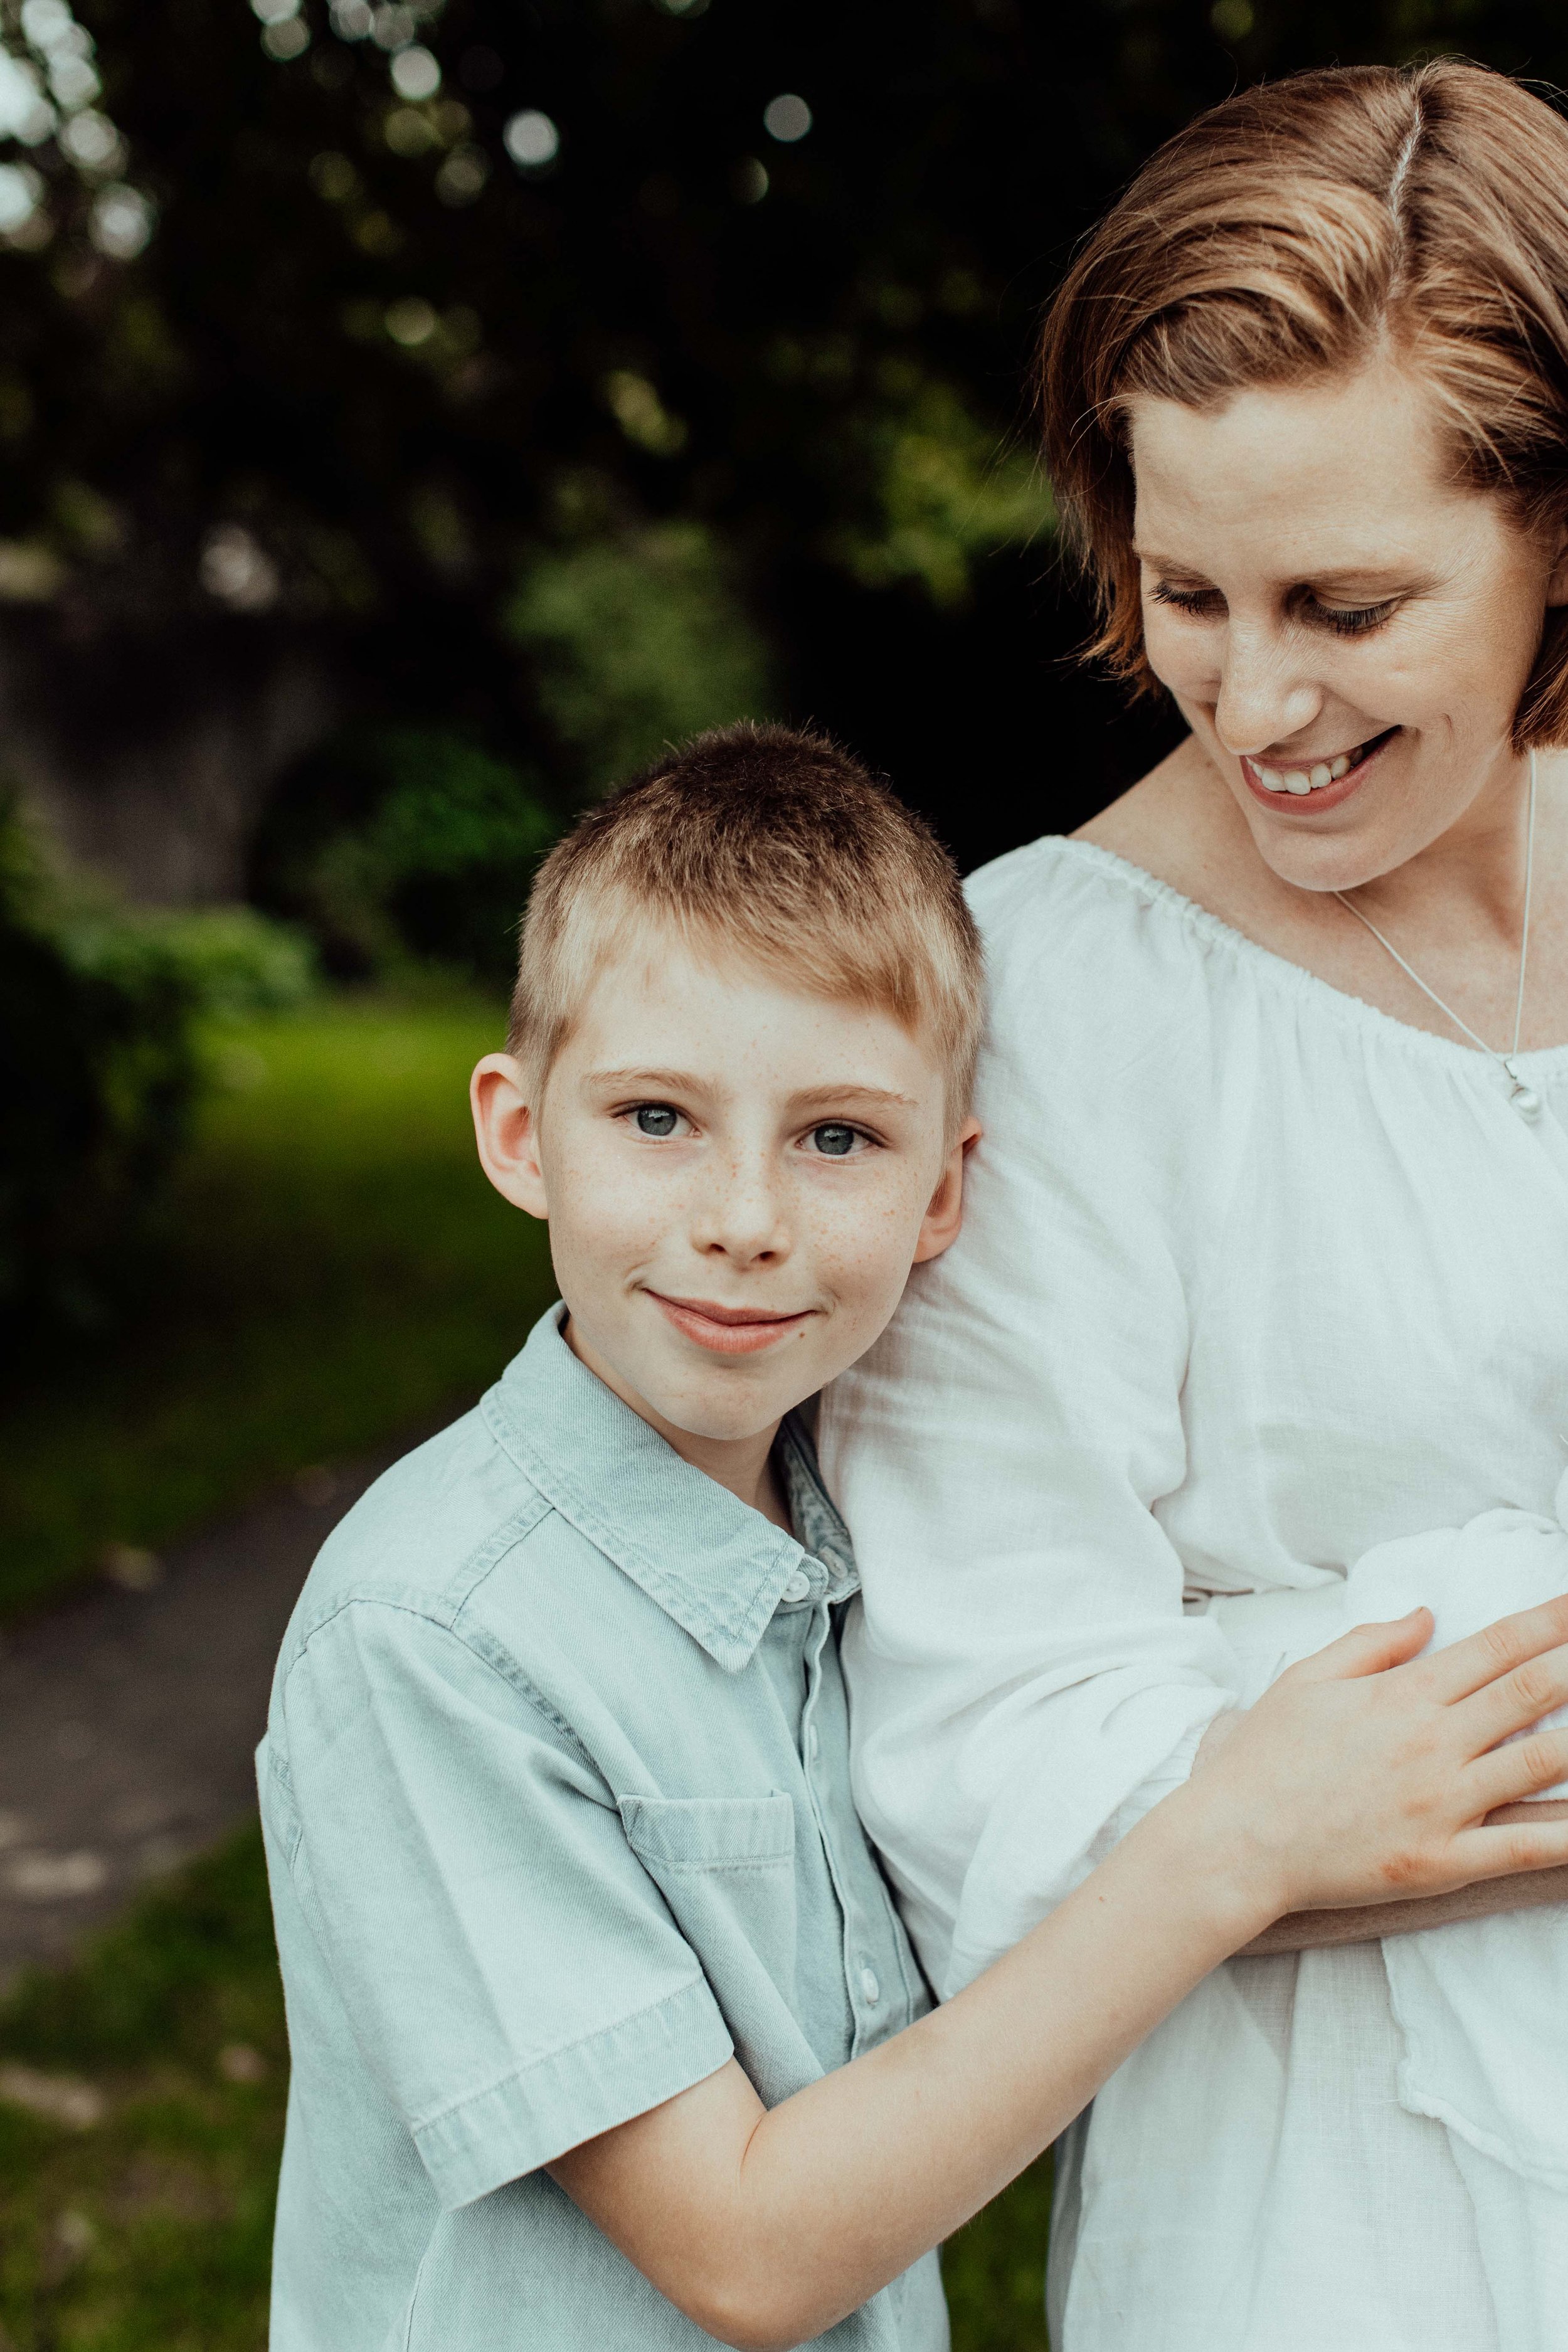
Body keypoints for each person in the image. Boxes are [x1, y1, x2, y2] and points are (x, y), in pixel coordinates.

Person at [257, 723, 1568, 2352]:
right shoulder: (436, 1641)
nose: (743, 1216)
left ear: (948, 1197)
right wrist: (1233, 1841)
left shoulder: (837, 1554)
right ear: (519, 1131)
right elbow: (744, 2254)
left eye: (836, 1139)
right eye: (656, 1118)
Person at [819, 58, 1568, 2352]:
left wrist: (1311, 1659)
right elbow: (997, 1761)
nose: (1254, 703)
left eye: (1349, 602)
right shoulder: (1034, 1007)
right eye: (1184, 595)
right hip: (1324, 2211)